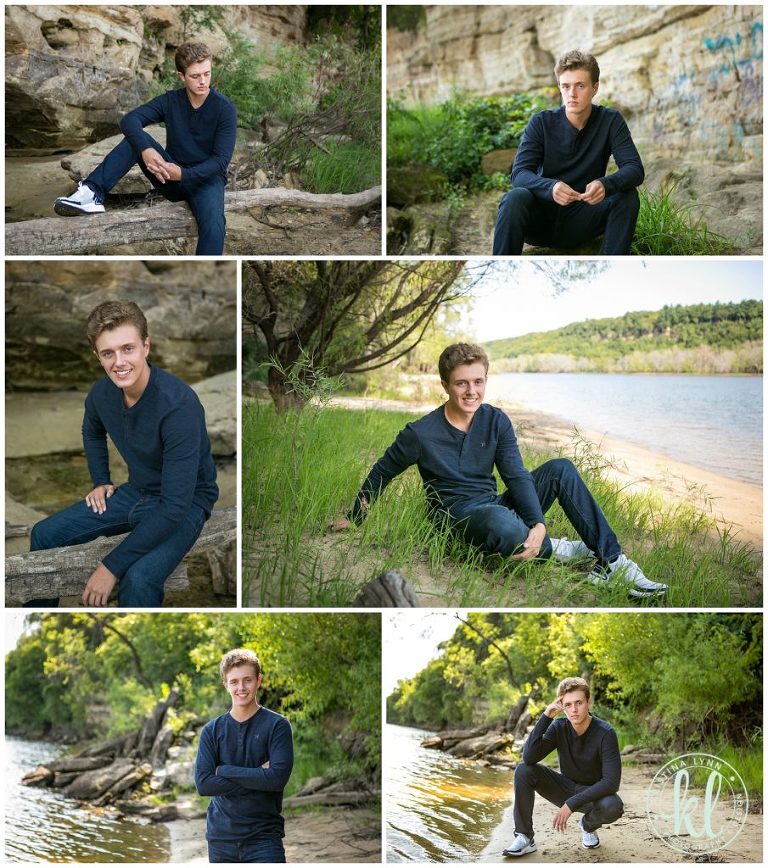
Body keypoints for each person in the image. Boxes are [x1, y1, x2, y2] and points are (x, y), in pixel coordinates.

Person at [333, 343, 667, 599]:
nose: (471, 391)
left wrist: (537, 523)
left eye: (478, 382)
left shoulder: (496, 420)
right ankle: (564, 549)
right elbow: (383, 471)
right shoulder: (419, 433)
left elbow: (517, 476)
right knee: (500, 522)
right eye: (461, 383)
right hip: (457, 520)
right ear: (445, 385)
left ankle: (612, 562)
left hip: (494, 505)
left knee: (561, 469)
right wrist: (355, 517)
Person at [28, 300, 219, 608]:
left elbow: (173, 507)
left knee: (139, 578)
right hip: (137, 492)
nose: (119, 362)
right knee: (44, 534)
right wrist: (101, 480)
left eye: (127, 349)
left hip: (186, 503)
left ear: (146, 346)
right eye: (108, 353)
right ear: (97, 356)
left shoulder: (178, 406)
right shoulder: (102, 394)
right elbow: (92, 431)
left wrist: (109, 567)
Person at [53, 41, 237, 255]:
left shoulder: (224, 109)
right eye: (195, 76)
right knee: (135, 140)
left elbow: (221, 162)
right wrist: (145, 150)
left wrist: (184, 174)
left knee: (215, 228)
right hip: (167, 176)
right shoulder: (170, 101)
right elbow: (130, 120)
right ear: (181, 76)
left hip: (206, 183)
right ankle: (91, 193)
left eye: (207, 73)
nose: (203, 81)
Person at [492, 50, 644, 256]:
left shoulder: (610, 121)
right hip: (540, 221)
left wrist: (605, 185)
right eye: (566, 86)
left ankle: (611, 268)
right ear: (560, 88)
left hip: (583, 217)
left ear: (595, 88)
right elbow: (519, 174)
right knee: (515, 197)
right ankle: (504, 272)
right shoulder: (541, 122)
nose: (572, 94)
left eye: (580, 86)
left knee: (627, 196)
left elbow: (634, 169)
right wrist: (550, 187)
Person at [503, 677, 623, 856]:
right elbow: (528, 757)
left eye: (579, 703)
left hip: (592, 795)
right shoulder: (559, 726)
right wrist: (545, 717)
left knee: (613, 806)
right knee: (523, 770)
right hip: (564, 788)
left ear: (588, 702)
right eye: (567, 705)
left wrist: (570, 805)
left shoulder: (605, 733)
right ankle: (525, 837)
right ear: (561, 706)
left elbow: (612, 782)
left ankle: (587, 826)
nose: (573, 710)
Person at [195, 648, 294, 864]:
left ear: (258, 681)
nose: (241, 688)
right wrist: (260, 776)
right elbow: (204, 784)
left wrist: (224, 770)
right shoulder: (212, 730)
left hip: (264, 838)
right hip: (221, 839)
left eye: (247, 680)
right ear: (226, 685)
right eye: (234, 682)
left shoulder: (277, 726)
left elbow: (277, 779)